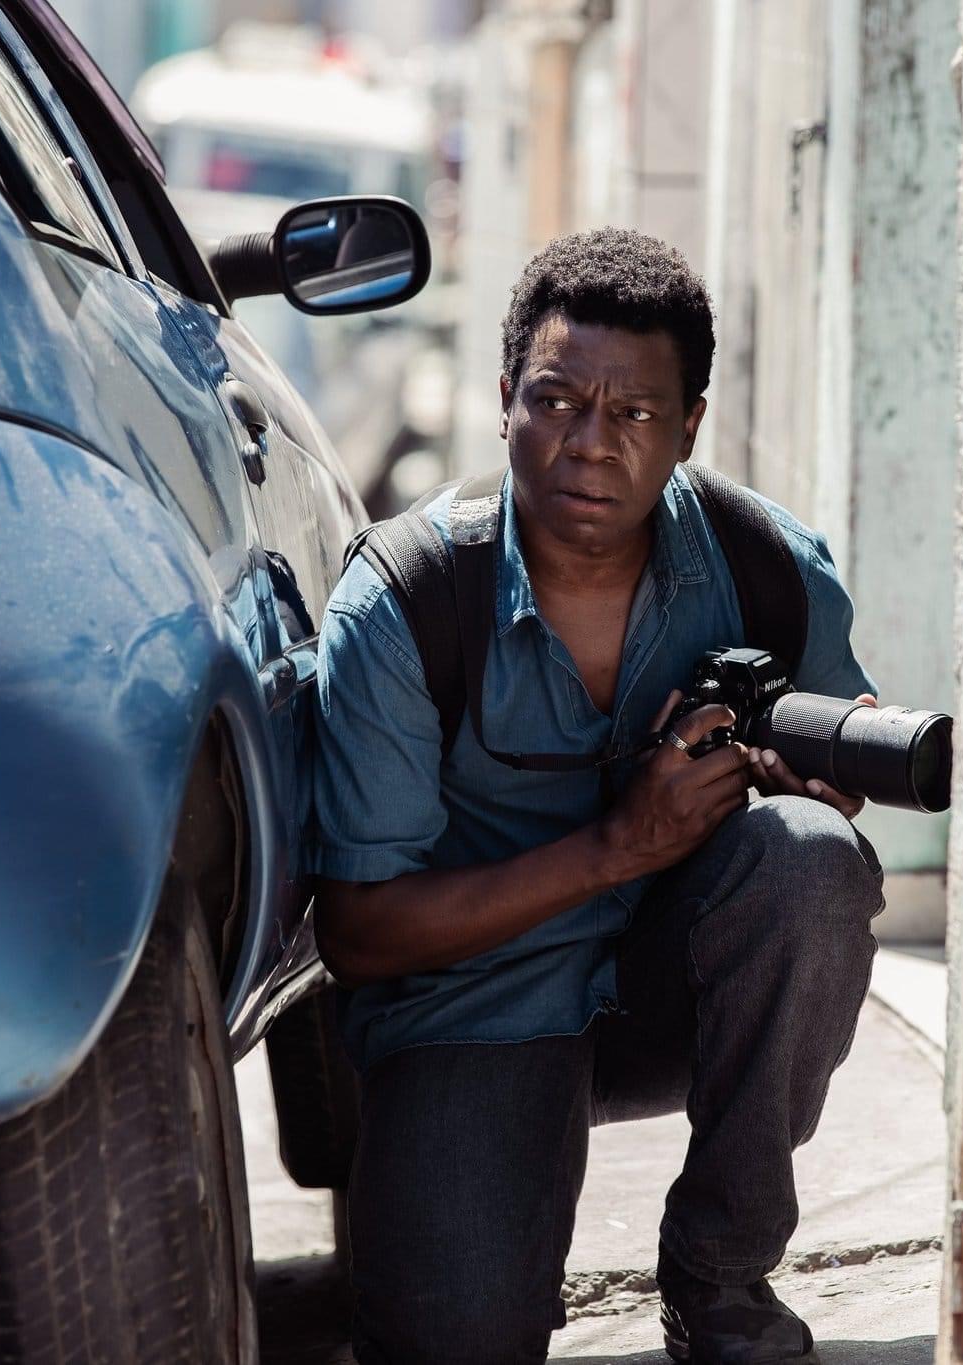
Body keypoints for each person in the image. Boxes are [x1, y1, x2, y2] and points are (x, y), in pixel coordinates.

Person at [310, 227, 884, 1365]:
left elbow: (840, 791)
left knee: (808, 856)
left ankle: (720, 1274)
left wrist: (796, 774)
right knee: (452, 1340)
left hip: (673, 981)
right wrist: (621, 843)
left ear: (687, 429)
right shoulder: (404, 599)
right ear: (503, 399)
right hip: (468, 1001)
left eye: (633, 416)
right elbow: (359, 932)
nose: (589, 445)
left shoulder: (762, 560)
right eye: (557, 400)